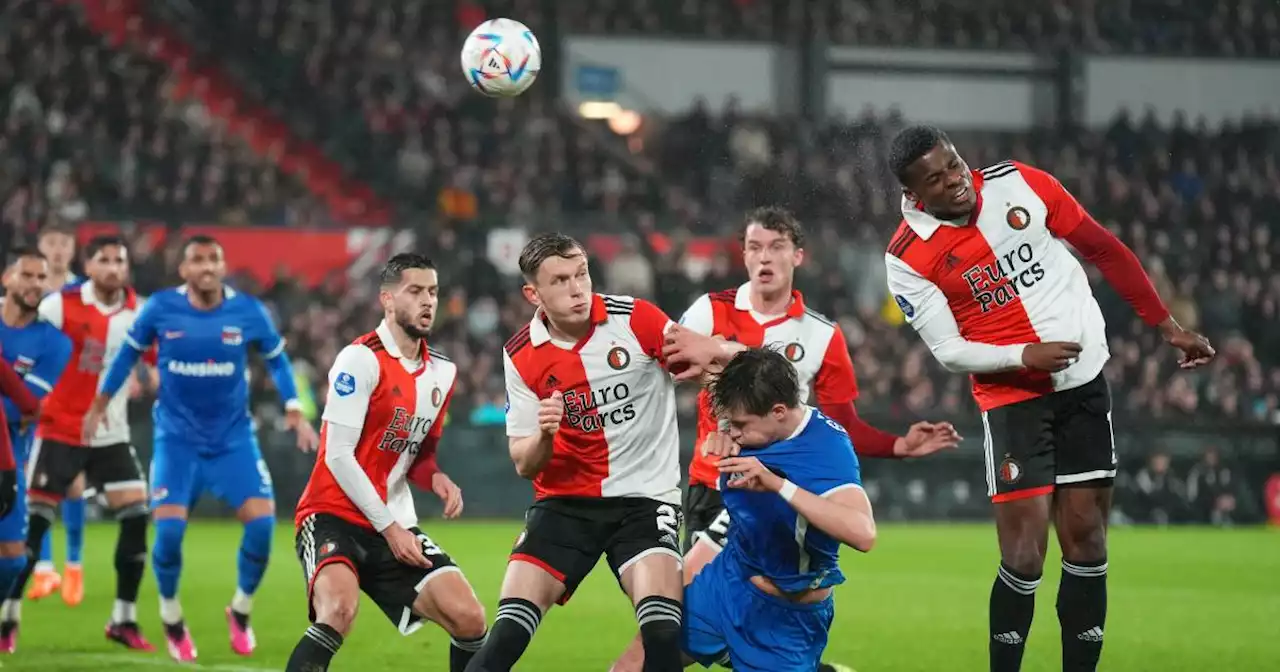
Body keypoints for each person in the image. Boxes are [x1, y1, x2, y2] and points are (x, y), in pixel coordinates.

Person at [883, 125, 1215, 672]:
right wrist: (1022, 356)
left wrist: (1167, 324)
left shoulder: (1021, 183)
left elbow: (1103, 249)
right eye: (937, 180)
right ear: (915, 194)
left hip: (1084, 387)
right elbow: (948, 350)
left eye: (955, 164)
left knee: (1087, 541)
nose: (956, 181)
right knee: (1024, 556)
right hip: (1013, 401)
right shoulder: (907, 255)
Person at [612, 206, 959, 672]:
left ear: (798, 255)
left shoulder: (820, 336)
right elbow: (665, 367)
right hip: (713, 488)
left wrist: (897, 446)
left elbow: (841, 427)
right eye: (754, 247)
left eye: (776, 246)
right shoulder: (709, 310)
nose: (764, 258)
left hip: (777, 495)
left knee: (755, 612)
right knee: (664, 631)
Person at [464, 233, 728, 672]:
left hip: (644, 503)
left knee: (663, 633)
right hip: (564, 506)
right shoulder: (521, 355)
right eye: (561, 280)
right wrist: (546, 435)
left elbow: (711, 368)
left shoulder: (637, 319)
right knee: (506, 635)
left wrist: (722, 420)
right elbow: (523, 461)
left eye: (582, 274)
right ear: (534, 294)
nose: (577, 288)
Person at [88, 235, 321, 662]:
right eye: (197, 259)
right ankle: (172, 617)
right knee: (170, 533)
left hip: (233, 441)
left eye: (214, 259)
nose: (207, 266)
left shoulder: (248, 311)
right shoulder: (160, 308)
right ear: (184, 269)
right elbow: (125, 357)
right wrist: (100, 403)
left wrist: (292, 408)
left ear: (223, 265)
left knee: (262, 526)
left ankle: (241, 609)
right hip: (177, 443)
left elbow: (276, 359)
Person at [288, 253, 485, 672]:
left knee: (470, 619)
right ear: (388, 299)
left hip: (391, 520)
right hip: (332, 513)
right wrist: (391, 529)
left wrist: (437, 479)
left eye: (432, 291)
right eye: (415, 291)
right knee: (338, 611)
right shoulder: (359, 359)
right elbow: (337, 455)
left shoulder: (443, 372)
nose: (427, 301)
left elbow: (419, 455)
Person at [683, 347, 876, 671]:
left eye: (741, 424)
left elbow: (863, 534)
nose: (735, 431)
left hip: (784, 620)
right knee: (642, 655)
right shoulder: (753, 416)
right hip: (727, 580)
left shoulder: (826, 450)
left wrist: (777, 485)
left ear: (779, 412)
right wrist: (722, 429)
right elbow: (728, 367)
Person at [8, 237, 156, 650]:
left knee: (136, 513)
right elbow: (25, 335)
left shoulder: (139, 311)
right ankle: (9, 617)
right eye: (103, 260)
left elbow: (151, 358)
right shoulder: (60, 305)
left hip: (112, 433)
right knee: (34, 525)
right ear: (87, 265)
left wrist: (150, 374)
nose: (112, 267)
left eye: (119, 261)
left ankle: (123, 619)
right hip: (58, 430)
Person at [0, 249, 72, 653]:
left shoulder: (53, 343)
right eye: (26, 274)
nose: (34, 284)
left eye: (41, 277)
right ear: (7, 277)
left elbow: (25, 407)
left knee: (12, 559)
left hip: (9, 456)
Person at [27, 224, 87, 605]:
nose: (59, 249)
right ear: (40, 246)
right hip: (33, 397)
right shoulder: (26, 289)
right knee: (37, 484)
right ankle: (45, 568)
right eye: (52, 242)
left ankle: (74, 566)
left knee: (75, 485)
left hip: (75, 397)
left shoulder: (84, 292)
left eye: (65, 242)